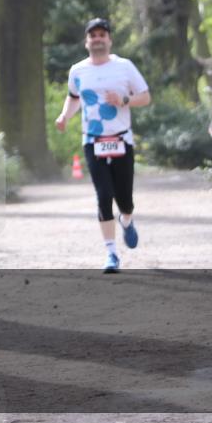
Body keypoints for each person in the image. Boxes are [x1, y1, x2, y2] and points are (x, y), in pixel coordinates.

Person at [55, 18, 151, 274]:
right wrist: (65, 116)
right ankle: (111, 252)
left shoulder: (124, 66)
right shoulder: (77, 70)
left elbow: (145, 97)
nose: (97, 39)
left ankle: (127, 220)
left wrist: (124, 100)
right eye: (93, 35)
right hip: (93, 141)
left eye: (102, 35)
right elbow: (74, 98)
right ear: (86, 41)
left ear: (109, 40)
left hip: (121, 139)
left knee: (125, 199)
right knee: (104, 195)